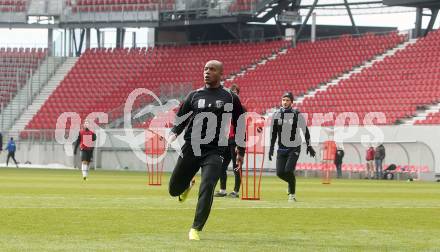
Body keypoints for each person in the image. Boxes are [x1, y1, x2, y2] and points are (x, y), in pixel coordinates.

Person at [167, 60, 246, 241]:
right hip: (191, 147)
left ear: (220, 74)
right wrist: (173, 134)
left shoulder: (230, 97)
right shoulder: (193, 95)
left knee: (208, 184)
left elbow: (240, 124)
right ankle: (186, 186)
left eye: (212, 69)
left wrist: (241, 151)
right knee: (173, 190)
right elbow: (181, 118)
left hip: (216, 150)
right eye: (205, 69)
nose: (207, 72)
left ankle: (195, 228)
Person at [269, 92, 316, 202]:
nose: (285, 102)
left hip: (294, 147)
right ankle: (291, 183)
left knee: (289, 170)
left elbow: (305, 130)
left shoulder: (296, 114)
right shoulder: (277, 115)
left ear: (292, 102)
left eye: (287, 100)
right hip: (281, 148)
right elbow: (273, 133)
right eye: (283, 100)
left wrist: (309, 146)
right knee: (280, 173)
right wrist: (271, 147)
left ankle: (292, 195)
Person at [214, 84, 242, 198]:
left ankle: (235, 191)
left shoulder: (241, 108)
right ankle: (223, 190)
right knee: (221, 166)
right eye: (232, 93)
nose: (233, 94)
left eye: (235, 93)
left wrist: (239, 144)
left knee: (236, 166)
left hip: (235, 141)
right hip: (225, 141)